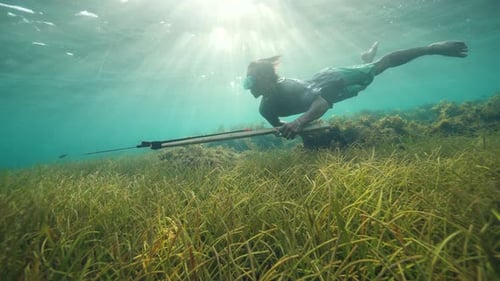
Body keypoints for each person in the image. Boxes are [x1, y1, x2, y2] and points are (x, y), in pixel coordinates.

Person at [243, 41, 468, 139]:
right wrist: (288, 131)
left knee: (383, 64)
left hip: (334, 79)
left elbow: (320, 104)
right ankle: (365, 58)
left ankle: (432, 48)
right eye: (247, 81)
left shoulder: (289, 86)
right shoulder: (266, 110)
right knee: (366, 82)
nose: (248, 85)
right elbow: (284, 129)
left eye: (251, 80)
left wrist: (298, 123)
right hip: (336, 94)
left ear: (266, 78)